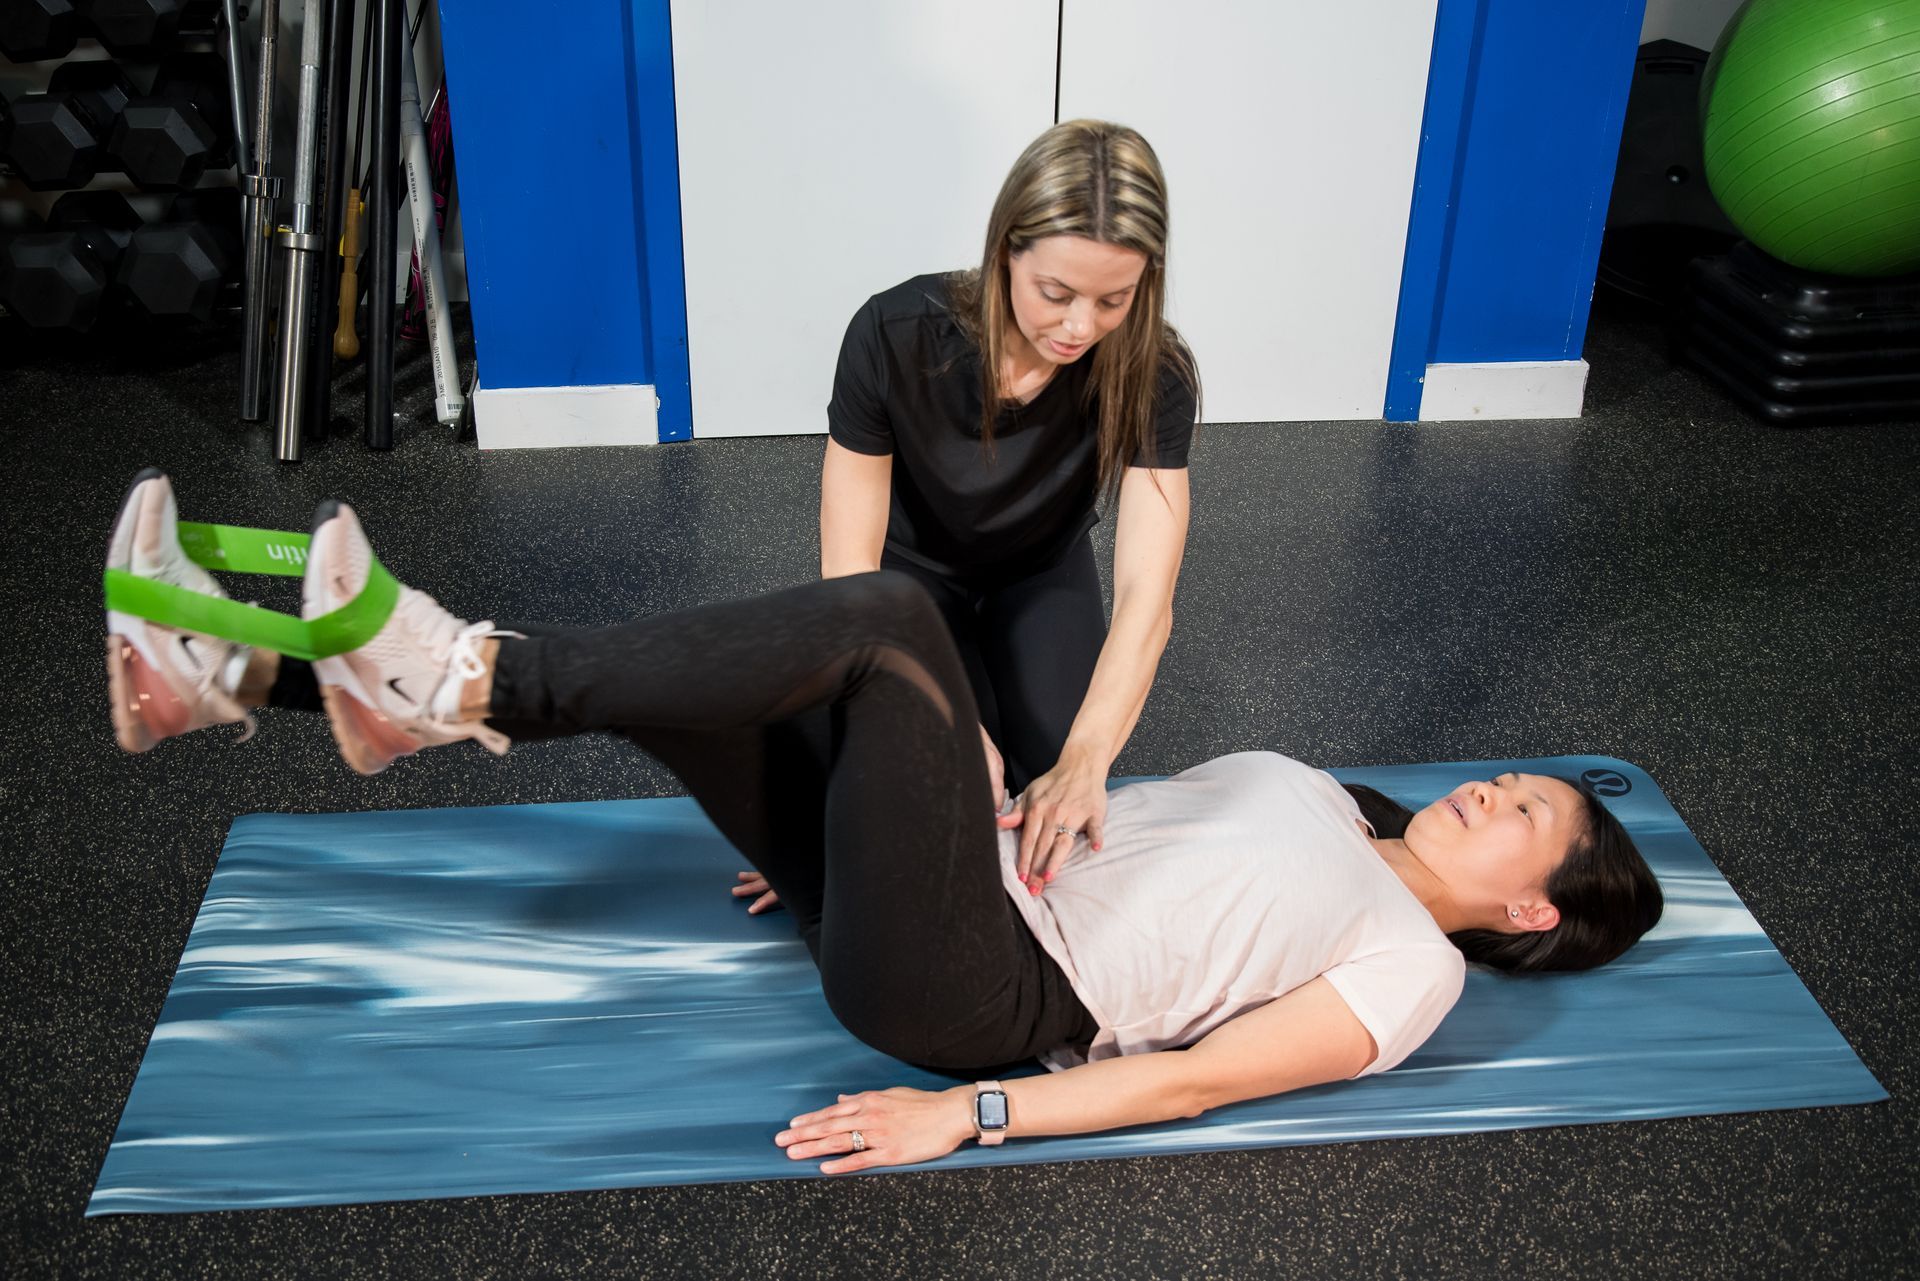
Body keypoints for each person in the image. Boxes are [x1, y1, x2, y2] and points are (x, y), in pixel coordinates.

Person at [105, 471, 1664, 1175]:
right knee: (704, 685)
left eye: (1533, 814)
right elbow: (1086, 825)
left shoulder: (1416, 970)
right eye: (1517, 775)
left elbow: (1190, 1083)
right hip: (929, 889)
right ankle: (225, 673)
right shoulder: (1331, 798)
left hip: (981, 994)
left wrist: (962, 1117)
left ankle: (457, 669)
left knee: (895, 620)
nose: (1498, 786)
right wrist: (866, 834)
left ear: (1535, 907)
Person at [821, 119, 1201, 895]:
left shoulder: (1155, 373)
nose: (1079, 327)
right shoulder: (892, 337)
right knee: (940, 786)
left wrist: (1088, 758)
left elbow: (1147, 598)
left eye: (1113, 300)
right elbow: (848, 575)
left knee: (1061, 782)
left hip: (1042, 570)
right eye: (1055, 293)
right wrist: (950, 723)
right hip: (908, 579)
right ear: (1004, 252)